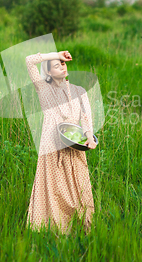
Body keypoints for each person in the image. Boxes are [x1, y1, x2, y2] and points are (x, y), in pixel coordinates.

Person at [25, 50, 96, 235]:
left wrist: (89, 137)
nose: (62, 67)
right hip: (51, 146)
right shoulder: (44, 89)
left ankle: (80, 226)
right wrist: (55, 54)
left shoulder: (79, 91)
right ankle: (53, 228)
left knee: (78, 187)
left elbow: (86, 117)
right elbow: (29, 60)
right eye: (56, 66)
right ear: (48, 72)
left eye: (63, 64)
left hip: (74, 143)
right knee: (54, 189)